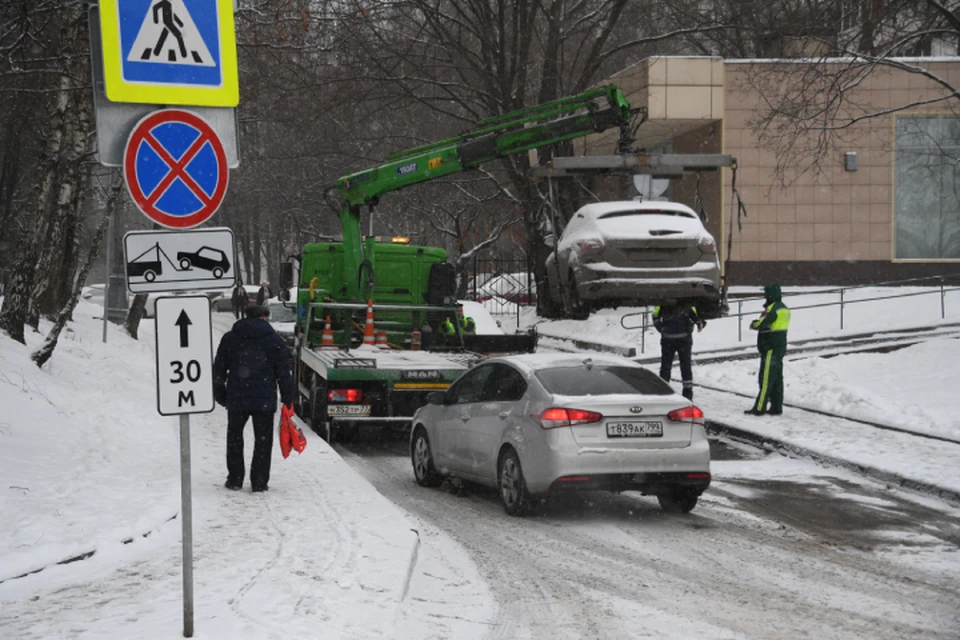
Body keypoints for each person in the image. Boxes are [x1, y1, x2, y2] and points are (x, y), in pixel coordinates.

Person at [214, 304, 295, 492]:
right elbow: (283, 371)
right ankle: (259, 482)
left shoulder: (230, 338)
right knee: (263, 440)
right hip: (264, 399)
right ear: (263, 317)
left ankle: (235, 479)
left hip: (236, 397)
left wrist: (220, 394)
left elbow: (219, 368)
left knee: (234, 437)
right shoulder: (273, 340)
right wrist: (288, 398)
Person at [745, 284, 791, 416]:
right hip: (780, 346)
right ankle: (777, 406)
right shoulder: (784, 309)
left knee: (765, 378)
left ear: (771, 295)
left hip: (770, 346)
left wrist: (754, 323)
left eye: (766, 294)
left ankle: (760, 408)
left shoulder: (772, 309)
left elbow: (760, 323)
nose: (764, 296)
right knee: (777, 378)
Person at [652, 303, 705, 401]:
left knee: (668, 367)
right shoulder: (685, 299)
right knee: (684, 367)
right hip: (681, 339)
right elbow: (696, 315)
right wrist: (699, 322)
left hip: (673, 339)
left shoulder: (665, 300)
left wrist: (661, 328)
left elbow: (655, 315)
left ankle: (664, 393)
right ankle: (686, 395)